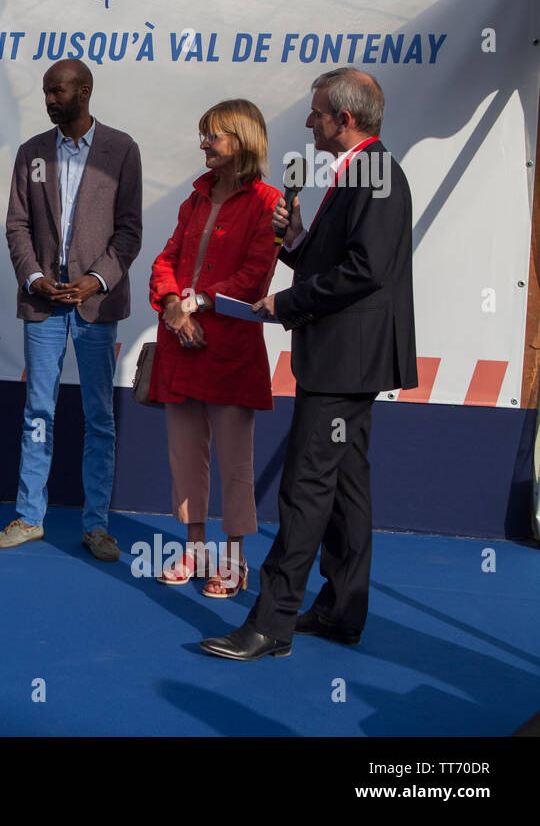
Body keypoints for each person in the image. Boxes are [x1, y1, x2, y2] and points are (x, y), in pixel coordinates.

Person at [201, 68, 417, 660]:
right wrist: (296, 243)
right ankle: (343, 609)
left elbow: (365, 271)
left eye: (317, 113)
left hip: (346, 361)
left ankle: (272, 622)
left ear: (344, 120)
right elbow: (343, 262)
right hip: (352, 359)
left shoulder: (373, 173)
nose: (308, 122)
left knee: (304, 489)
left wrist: (284, 303)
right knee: (346, 485)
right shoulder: (363, 173)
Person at [0, 58, 143, 557]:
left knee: (99, 414)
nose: (49, 100)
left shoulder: (121, 150)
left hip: (96, 306)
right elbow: (16, 225)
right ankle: (29, 515)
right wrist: (35, 278)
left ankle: (95, 524)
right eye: (44, 92)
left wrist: (94, 280)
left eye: (57, 91)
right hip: (43, 305)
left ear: (85, 91)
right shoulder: (32, 152)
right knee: (38, 410)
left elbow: (129, 232)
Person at [148, 99, 281, 597]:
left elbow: (254, 278)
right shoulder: (194, 200)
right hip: (181, 347)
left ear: (242, 140)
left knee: (234, 461)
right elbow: (165, 261)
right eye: (203, 134)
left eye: (213, 135)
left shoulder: (269, 203)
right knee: (185, 457)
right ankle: (194, 549)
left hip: (230, 354)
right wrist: (173, 306)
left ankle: (236, 558)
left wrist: (196, 303)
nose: (204, 143)